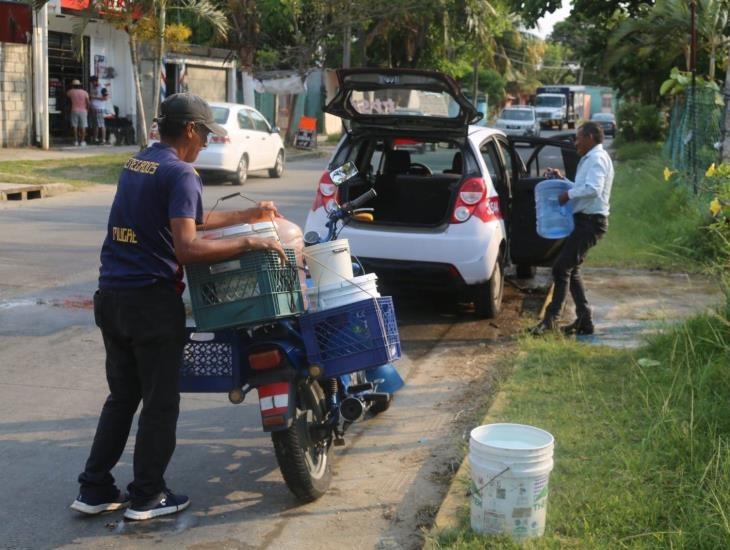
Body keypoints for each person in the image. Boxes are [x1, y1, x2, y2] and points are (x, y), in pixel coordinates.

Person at [70, 92, 287, 521]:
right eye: (204, 134)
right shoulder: (182, 173)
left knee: (122, 397)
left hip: (111, 298)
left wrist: (249, 215)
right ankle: (148, 496)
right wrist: (250, 241)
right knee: (160, 402)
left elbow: (186, 219)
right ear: (189, 129)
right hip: (150, 303)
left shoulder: (139, 163)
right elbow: (187, 247)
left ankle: (94, 488)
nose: (206, 143)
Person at [531, 121, 614, 336]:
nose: (575, 142)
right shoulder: (592, 158)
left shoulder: (596, 159)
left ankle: (550, 322)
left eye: (578, 138)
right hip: (586, 221)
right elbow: (583, 187)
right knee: (572, 269)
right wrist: (563, 181)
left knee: (561, 269)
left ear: (589, 137)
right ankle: (585, 322)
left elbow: (593, 189)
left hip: (591, 222)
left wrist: (567, 194)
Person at [66, 79, 90, 147]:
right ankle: (82, 141)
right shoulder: (85, 92)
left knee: (75, 126)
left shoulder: (71, 92)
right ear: (80, 85)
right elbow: (88, 103)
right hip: (83, 111)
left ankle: (76, 141)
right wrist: (87, 110)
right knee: (83, 126)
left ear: (73, 85)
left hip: (74, 110)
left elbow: (66, 96)